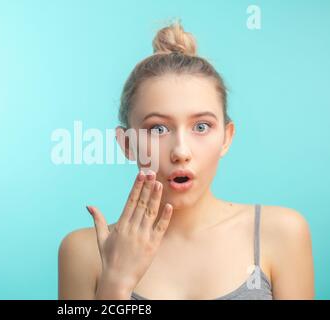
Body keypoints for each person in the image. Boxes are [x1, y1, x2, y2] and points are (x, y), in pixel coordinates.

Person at [58, 19, 314, 300]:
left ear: (226, 137)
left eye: (201, 126)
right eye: (158, 129)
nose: (181, 151)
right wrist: (116, 283)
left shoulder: (281, 233)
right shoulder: (83, 251)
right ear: (128, 144)